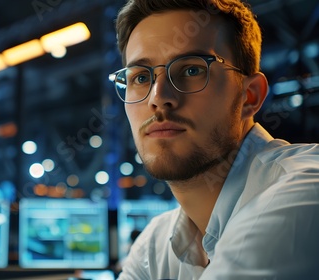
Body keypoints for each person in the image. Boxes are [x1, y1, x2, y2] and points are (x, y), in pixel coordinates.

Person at [108, 0, 319, 279]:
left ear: (250, 96)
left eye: (191, 70)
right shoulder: (155, 246)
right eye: (140, 77)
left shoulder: (304, 189)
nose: (158, 98)